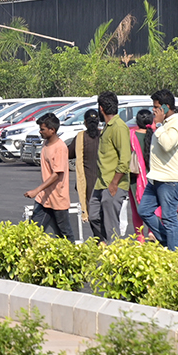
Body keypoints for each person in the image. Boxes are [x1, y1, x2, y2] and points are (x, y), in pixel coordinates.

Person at [138, 89, 178, 251]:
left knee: (169, 218)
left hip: (170, 180)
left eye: (156, 107)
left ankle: (174, 257)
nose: (153, 110)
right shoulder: (166, 124)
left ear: (166, 108)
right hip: (156, 177)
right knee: (144, 211)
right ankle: (168, 240)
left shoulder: (177, 124)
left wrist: (158, 125)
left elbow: (167, 144)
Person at [88, 92, 130, 243]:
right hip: (101, 182)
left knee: (111, 224)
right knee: (93, 215)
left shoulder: (119, 127)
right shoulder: (107, 126)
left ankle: (115, 256)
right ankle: (104, 245)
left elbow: (125, 159)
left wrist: (114, 183)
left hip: (113, 183)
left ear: (101, 109)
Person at [25, 112, 72, 239]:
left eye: (42, 129)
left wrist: (36, 190)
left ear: (52, 130)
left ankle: (73, 257)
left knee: (65, 233)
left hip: (57, 197)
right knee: (32, 231)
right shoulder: (46, 143)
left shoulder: (60, 148)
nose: (40, 132)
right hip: (44, 197)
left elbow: (56, 174)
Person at [70, 109, 101, 222]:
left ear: (85, 122)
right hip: (103, 180)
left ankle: (98, 238)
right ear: (98, 121)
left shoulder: (80, 137)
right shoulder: (103, 135)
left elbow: (69, 153)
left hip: (87, 182)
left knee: (91, 212)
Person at [128, 109, 154, 242]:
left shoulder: (131, 135)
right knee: (154, 205)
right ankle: (152, 231)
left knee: (136, 208)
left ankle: (140, 237)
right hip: (153, 177)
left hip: (136, 178)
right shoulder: (155, 135)